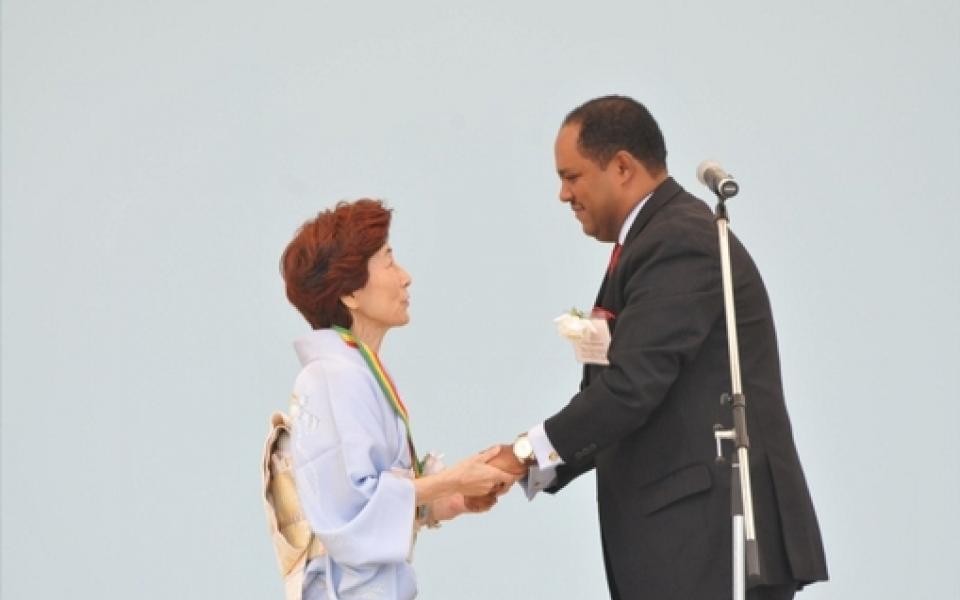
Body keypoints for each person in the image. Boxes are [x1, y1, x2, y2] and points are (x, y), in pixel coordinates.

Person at [487, 96, 828, 599]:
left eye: (572, 176)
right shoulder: (649, 242)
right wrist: (534, 463)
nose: (563, 194)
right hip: (685, 545)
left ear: (622, 166)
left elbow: (631, 388)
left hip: (711, 539)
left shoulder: (679, 239)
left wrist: (524, 453)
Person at [280, 199, 516, 600]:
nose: (405, 277)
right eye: (388, 262)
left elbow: (375, 499)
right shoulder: (331, 377)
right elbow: (351, 509)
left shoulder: (354, 371)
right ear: (351, 293)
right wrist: (451, 480)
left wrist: (447, 499)